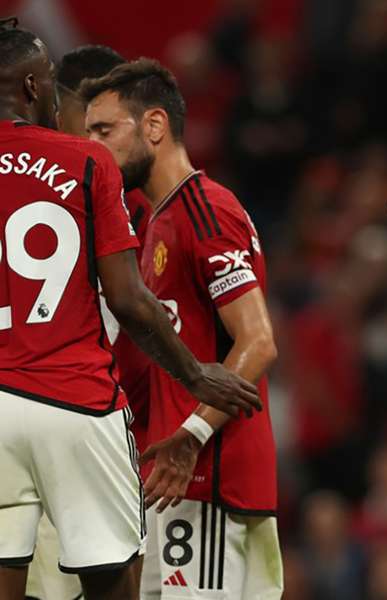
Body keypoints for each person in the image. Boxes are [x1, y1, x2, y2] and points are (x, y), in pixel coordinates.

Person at [0, 22, 261, 600]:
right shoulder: (84, 165)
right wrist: (196, 375)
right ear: (33, 86)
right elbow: (127, 298)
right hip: (74, 399)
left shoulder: (192, 210)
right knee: (116, 581)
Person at [81, 58, 283, 599]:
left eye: (105, 130)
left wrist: (190, 438)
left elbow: (258, 341)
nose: (95, 148)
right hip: (175, 479)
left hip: (210, 477)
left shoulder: (206, 212)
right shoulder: (159, 222)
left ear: (154, 125)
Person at [24, 42, 145, 600]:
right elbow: (127, 302)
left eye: (111, 125)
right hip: (71, 411)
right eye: (93, 120)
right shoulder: (82, 174)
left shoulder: (129, 199)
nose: (101, 137)